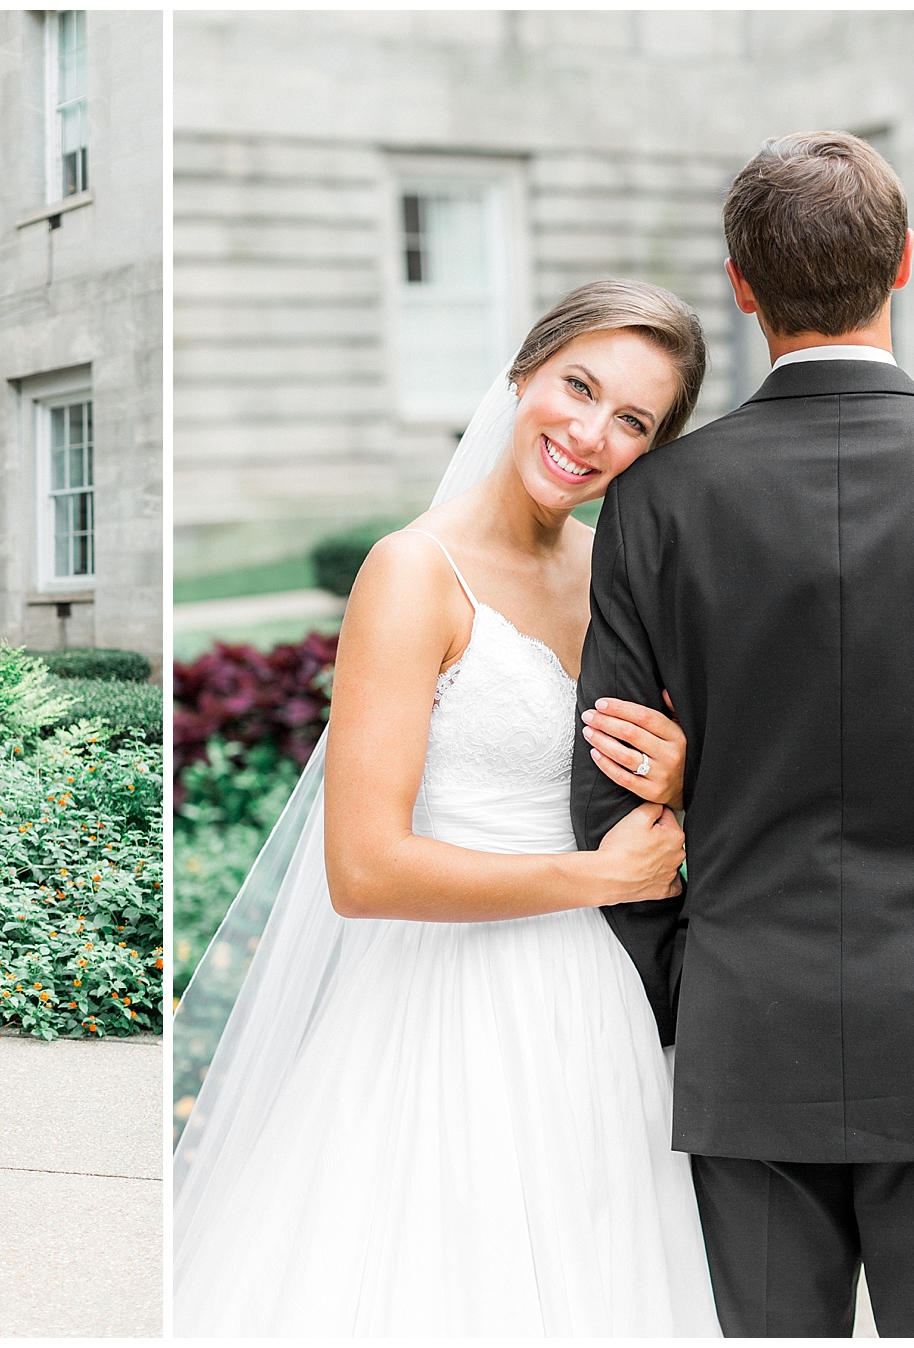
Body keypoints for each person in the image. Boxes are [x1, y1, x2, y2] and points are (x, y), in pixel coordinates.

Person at [574, 131, 914, 1338]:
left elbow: (608, 792)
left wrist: (692, 980)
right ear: (904, 263)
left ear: (741, 284)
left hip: (746, 1042)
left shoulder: (655, 499)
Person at [173, 280, 722, 1335]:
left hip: (597, 1013)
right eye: (579, 385)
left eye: (633, 421)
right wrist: (596, 877)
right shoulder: (412, 572)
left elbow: (646, 771)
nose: (590, 432)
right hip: (443, 1013)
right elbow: (365, 869)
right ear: (524, 371)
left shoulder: (617, 569)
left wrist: (679, 776)